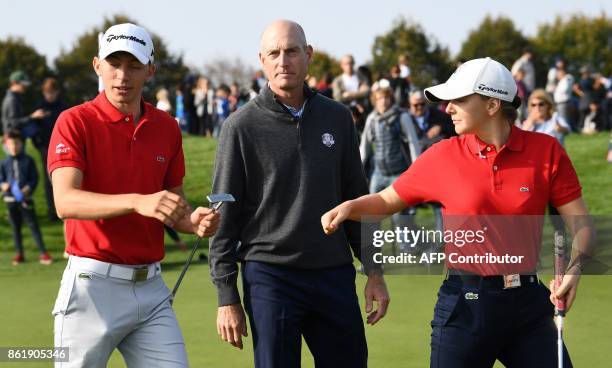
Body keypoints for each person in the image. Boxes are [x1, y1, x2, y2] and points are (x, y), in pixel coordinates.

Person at [322, 57, 593, 367]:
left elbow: (583, 226)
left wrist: (575, 269)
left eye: (459, 100)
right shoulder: (443, 155)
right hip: (465, 305)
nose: (448, 108)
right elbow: (386, 201)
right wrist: (349, 206)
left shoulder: (547, 151)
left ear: (492, 105)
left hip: (528, 305)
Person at [210, 20, 389, 368]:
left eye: (291, 51)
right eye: (274, 53)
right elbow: (225, 218)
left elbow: (358, 199)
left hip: (333, 273)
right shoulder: (240, 127)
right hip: (270, 276)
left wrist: (375, 272)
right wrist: (226, 295)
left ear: (308, 55)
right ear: (261, 61)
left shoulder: (338, 118)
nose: (283, 61)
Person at [47, 23, 219, 367]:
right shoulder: (74, 121)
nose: (122, 75)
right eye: (114, 63)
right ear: (98, 66)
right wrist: (138, 200)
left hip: (151, 288)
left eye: (134, 66)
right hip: (91, 287)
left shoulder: (167, 127)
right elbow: (65, 202)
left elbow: (172, 205)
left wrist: (192, 219)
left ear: (150, 71)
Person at [360, 82, 420, 252]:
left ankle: (405, 248)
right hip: (379, 173)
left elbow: (413, 145)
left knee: (401, 215)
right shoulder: (371, 119)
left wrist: (416, 172)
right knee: (371, 214)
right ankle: (372, 253)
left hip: (399, 173)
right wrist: (357, 170)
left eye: (386, 97)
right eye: (379, 98)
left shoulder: (402, 116)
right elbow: (364, 148)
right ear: (374, 100)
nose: (383, 101)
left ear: (391, 99)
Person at [521, 88, 571, 233]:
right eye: (533, 104)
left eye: (541, 104)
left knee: (557, 213)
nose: (537, 108)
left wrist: (559, 128)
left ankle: (560, 251)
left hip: (556, 171)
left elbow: (567, 130)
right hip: (534, 173)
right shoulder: (528, 123)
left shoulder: (555, 118)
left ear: (548, 105)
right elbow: (519, 138)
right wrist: (530, 122)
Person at [1, 129, 53, 266]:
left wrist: (28, 189)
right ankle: (20, 254)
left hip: (26, 199)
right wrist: (3, 185)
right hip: (10, 201)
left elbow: (34, 178)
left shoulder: (28, 160)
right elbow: (1, 179)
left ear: (22, 144)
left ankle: (43, 253)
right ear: (6, 145)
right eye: (11, 144)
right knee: (15, 228)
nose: (14, 147)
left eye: (16, 143)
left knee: (33, 226)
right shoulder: (4, 163)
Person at [32, 77, 67, 221]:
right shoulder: (40, 108)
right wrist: (39, 146)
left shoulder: (63, 108)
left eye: (52, 92)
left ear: (57, 92)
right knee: (48, 180)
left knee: (62, 178)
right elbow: (33, 129)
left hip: (61, 147)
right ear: (44, 93)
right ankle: (51, 210)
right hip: (45, 148)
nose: (50, 95)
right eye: (47, 93)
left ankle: (63, 207)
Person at [1, 70, 48, 135]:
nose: (25, 87)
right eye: (23, 84)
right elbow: (13, 123)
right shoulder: (12, 100)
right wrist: (32, 116)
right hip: (13, 141)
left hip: (14, 139)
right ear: (14, 83)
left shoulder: (15, 98)